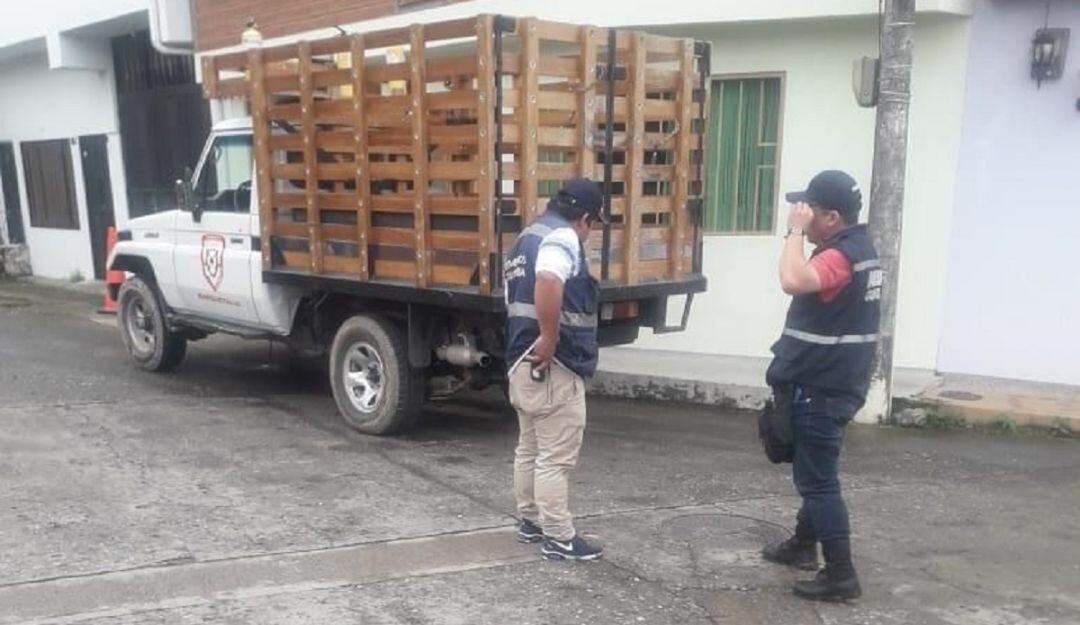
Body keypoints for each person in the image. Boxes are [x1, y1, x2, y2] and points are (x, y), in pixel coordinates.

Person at [762, 170, 882, 601]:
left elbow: (793, 279)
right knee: (815, 471)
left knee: (819, 483)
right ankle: (801, 546)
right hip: (837, 383)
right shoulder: (862, 250)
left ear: (831, 216)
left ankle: (841, 574)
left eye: (809, 210)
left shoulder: (838, 257)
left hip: (820, 386)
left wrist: (792, 233)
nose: (802, 216)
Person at [504, 178, 605, 561]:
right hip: (553, 364)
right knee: (554, 458)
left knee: (529, 448)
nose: (589, 232)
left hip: (521, 361)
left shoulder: (526, 236)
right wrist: (548, 337)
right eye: (592, 224)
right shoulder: (563, 238)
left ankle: (530, 521)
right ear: (583, 218)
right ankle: (560, 537)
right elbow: (548, 279)